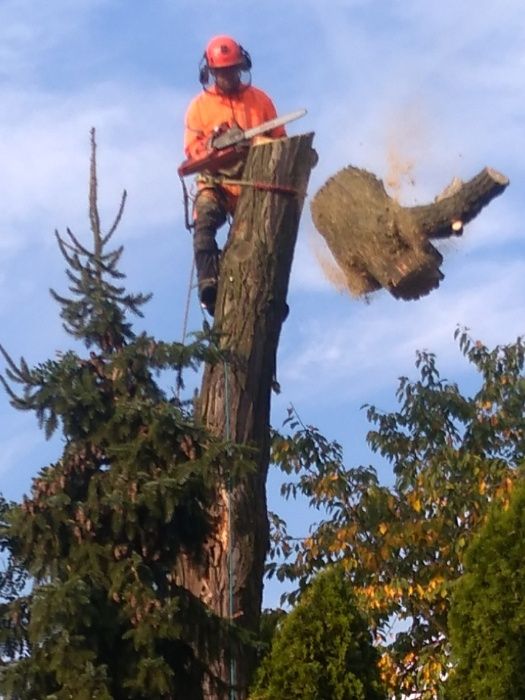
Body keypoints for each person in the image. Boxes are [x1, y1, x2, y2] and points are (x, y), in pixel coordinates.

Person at [183, 35, 286, 316]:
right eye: (222, 72)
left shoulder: (260, 101)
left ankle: (269, 295)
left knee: (264, 239)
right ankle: (209, 283)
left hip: (255, 182)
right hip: (216, 181)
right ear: (211, 72)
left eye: (232, 69)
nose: (228, 76)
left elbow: (282, 143)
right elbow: (192, 150)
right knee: (203, 224)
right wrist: (212, 144)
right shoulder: (199, 108)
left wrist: (258, 145)